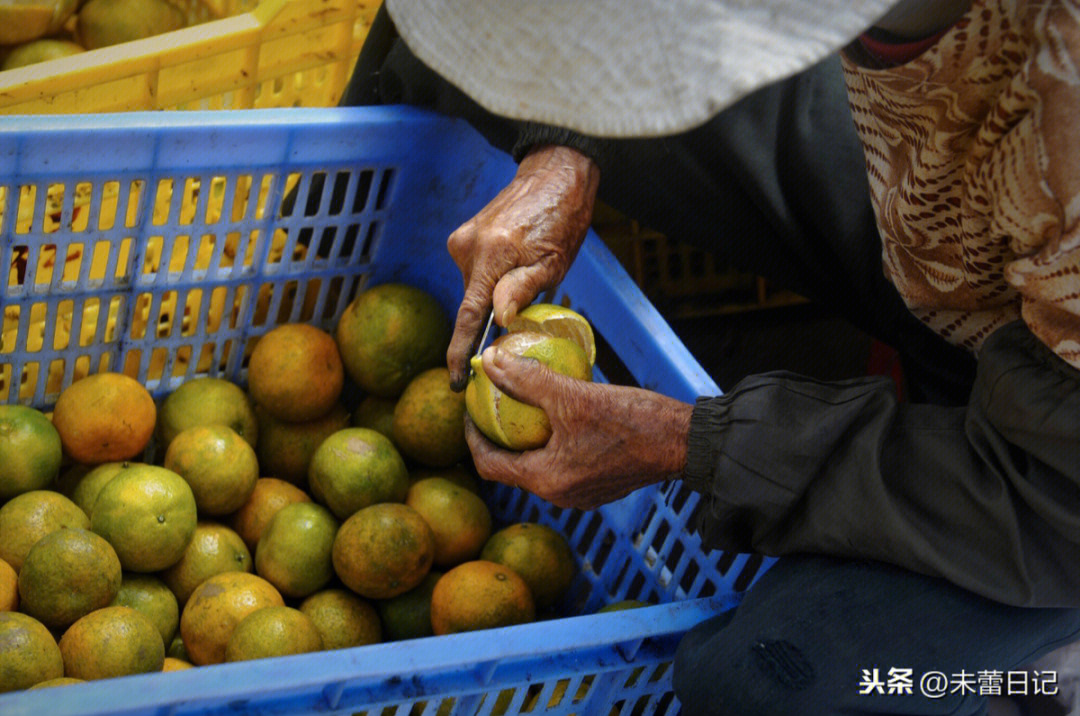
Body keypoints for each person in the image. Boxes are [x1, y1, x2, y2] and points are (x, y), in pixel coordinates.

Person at [348, 1, 1080, 713]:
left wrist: (689, 442)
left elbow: (1052, 495)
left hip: (1048, 487)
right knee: (470, 56)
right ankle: (328, 284)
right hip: (952, 238)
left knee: (773, 684)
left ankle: (1016, 685)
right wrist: (565, 140)